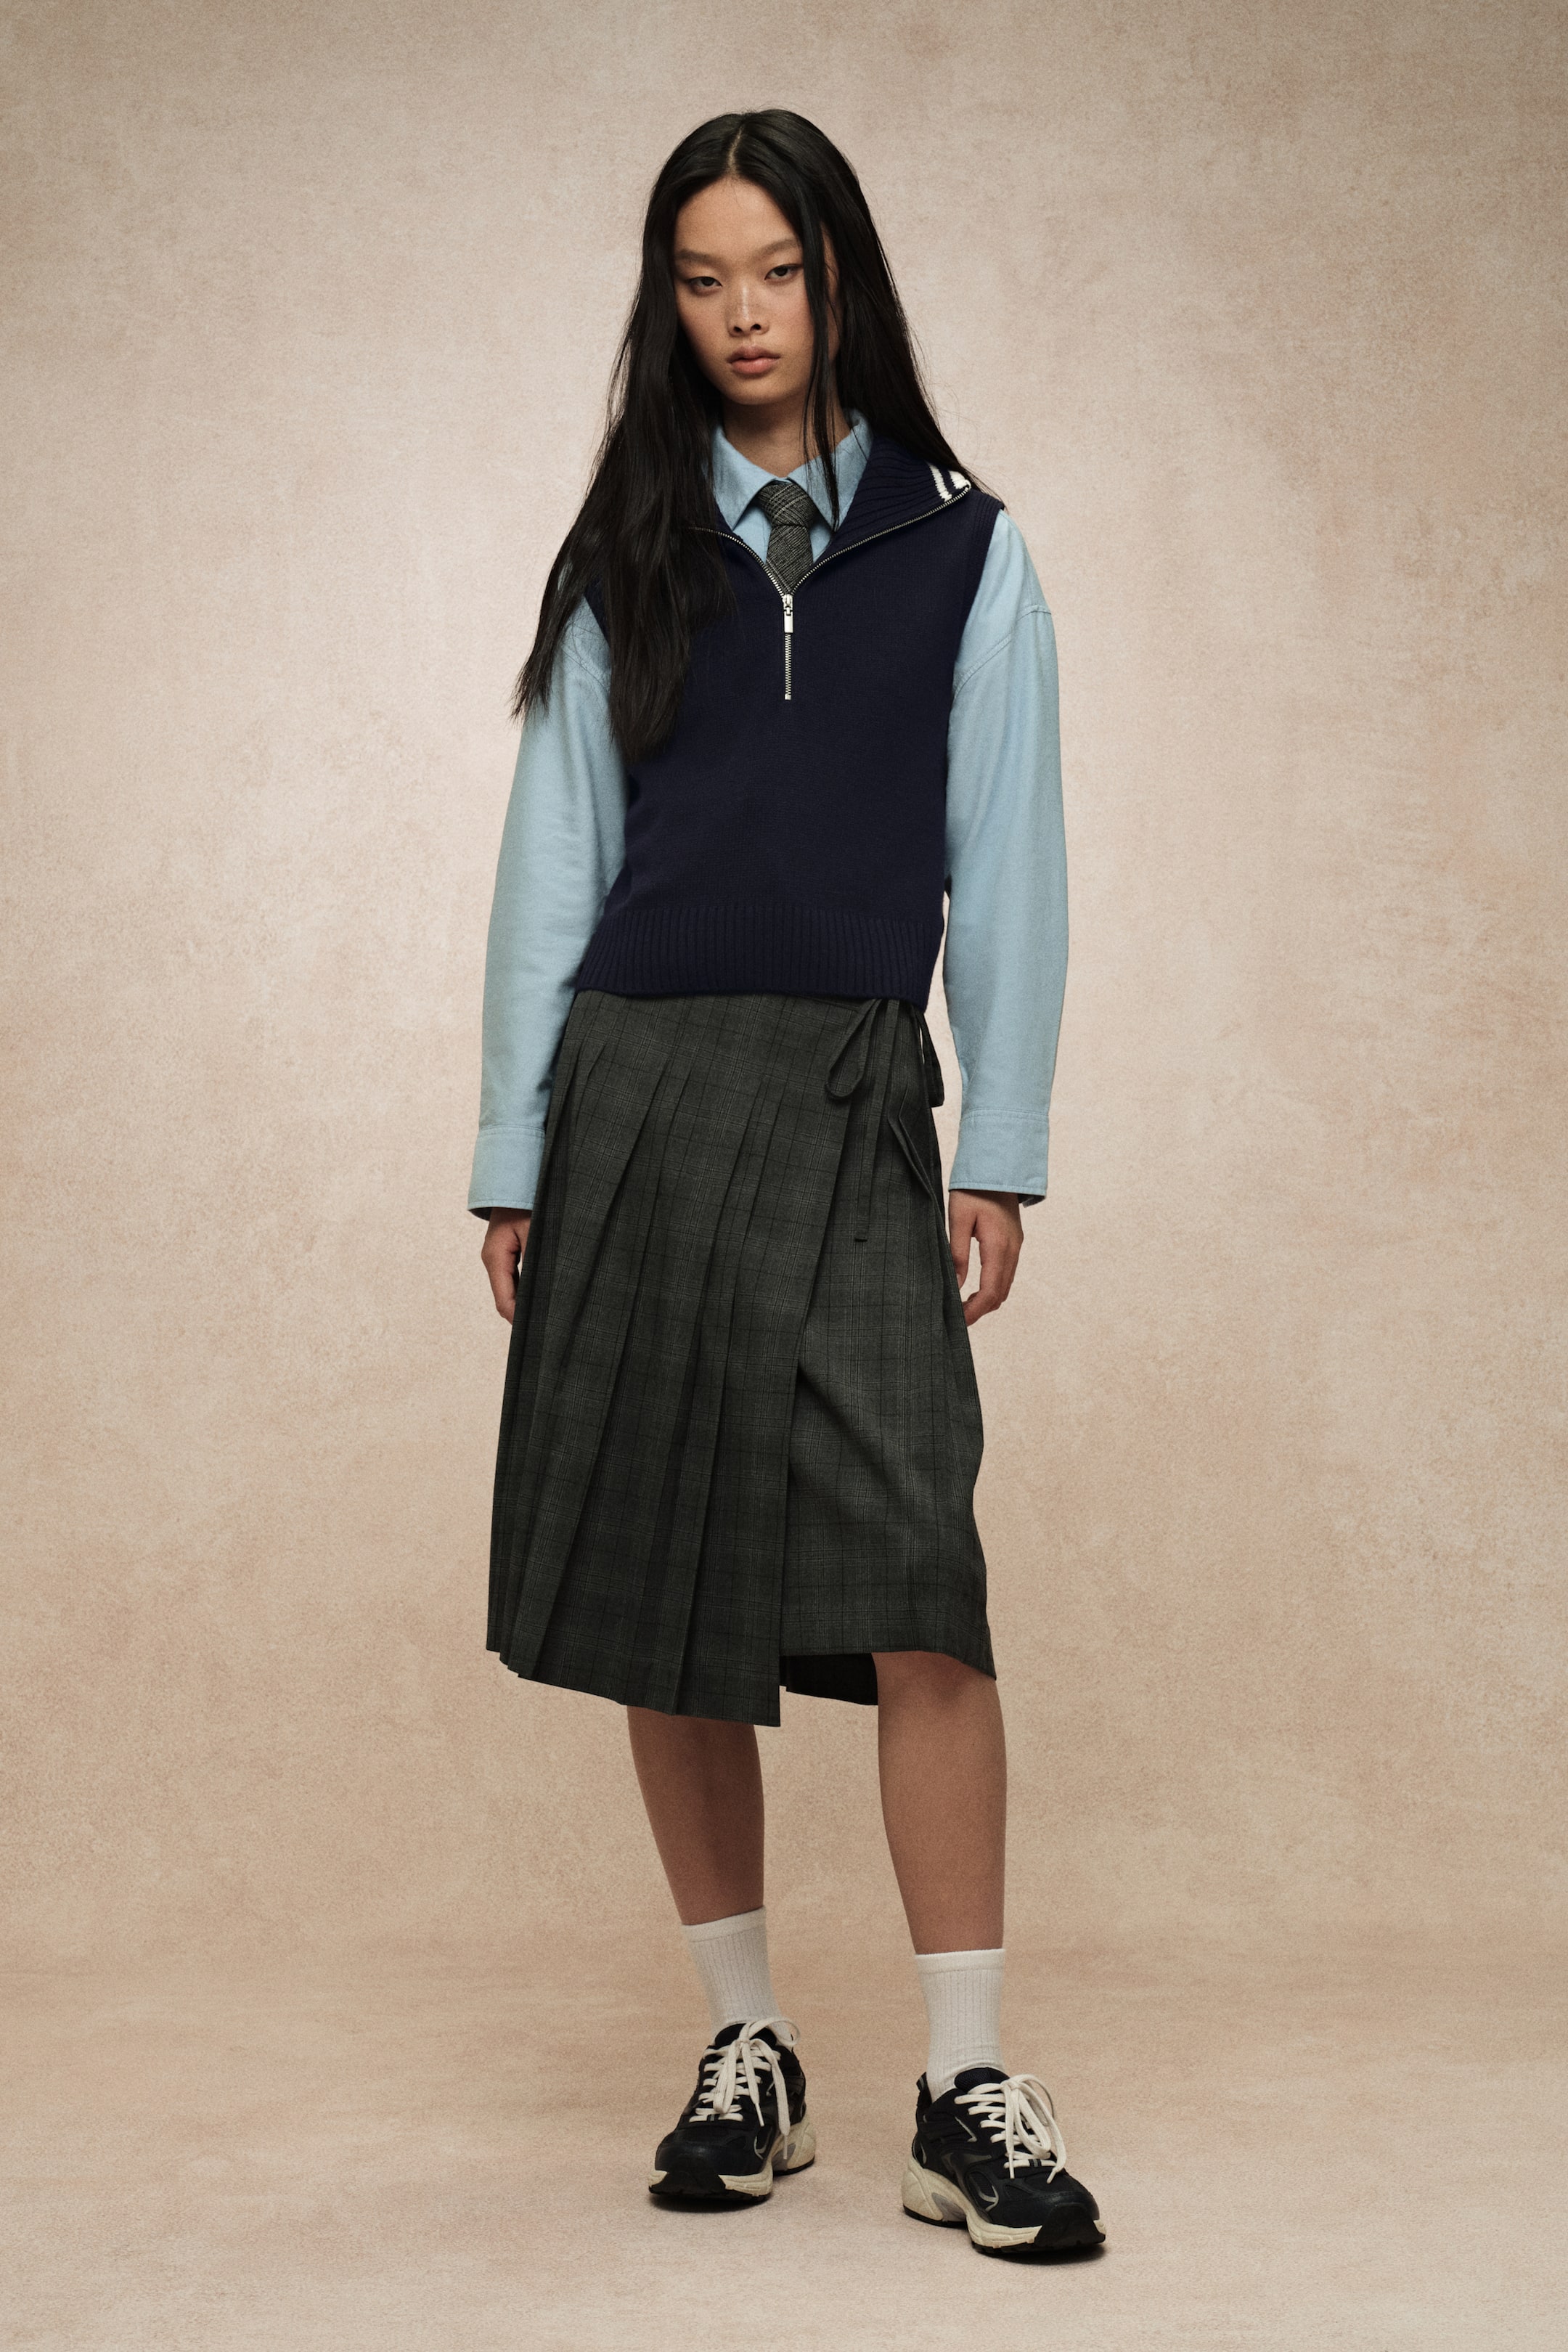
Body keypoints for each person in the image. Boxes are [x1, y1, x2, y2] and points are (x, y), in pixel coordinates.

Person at [469, 109, 1102, 2260]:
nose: (742, 315)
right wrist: (512, 1154)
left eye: (777, 271)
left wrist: (999, 1143)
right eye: (700, 278)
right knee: (666, 1581)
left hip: (850, 1096)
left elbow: (1009, 861)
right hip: (635, 1095)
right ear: (668, 303)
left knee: (922, 1572)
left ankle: (966, 2081)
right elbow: (553, 862)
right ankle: (747, 2044)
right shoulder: (623, 551)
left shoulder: (961, 549)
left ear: (842, 281)